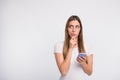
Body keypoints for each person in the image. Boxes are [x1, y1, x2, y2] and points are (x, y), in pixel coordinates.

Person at [54, 15, 94, 80]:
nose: (74, 30)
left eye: (77, 27)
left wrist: (83, 63)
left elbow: (89, 73)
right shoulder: (59, 46)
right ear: (67, 29)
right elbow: (63, 72)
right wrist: (70, 48)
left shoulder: (87, 46)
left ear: (80, 29)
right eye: (70, 27)